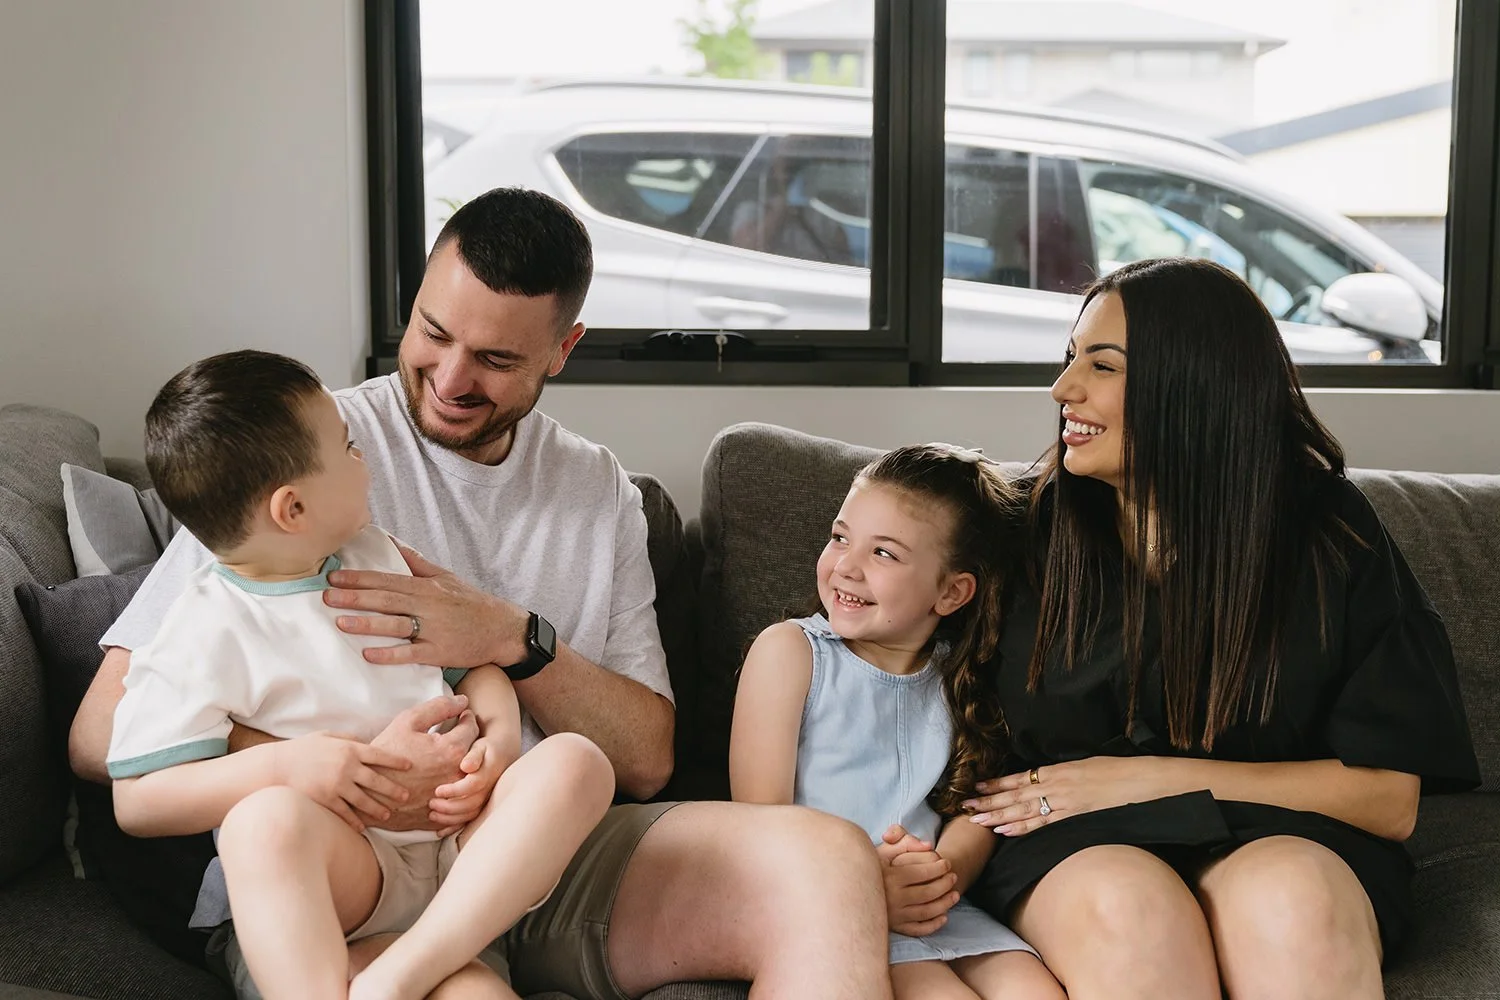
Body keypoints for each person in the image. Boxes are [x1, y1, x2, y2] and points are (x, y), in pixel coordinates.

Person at [69, 186, 893, 1000]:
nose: (451, 378)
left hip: (531, 852)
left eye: (497, 360)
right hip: (344, 870)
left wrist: (511, 639)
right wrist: (359, 769)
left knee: (827, 860)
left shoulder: (597, 490)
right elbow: (101, 733)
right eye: (433, 333)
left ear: (562, 349)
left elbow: (646, 760)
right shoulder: (301, 454)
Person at [954, 257, 1479, 999]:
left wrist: (1144, 778)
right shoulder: (1021, 529)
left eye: (1101, 366)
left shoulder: (1330, 534)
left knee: (1294, 903)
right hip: (1075, 844)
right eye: (1070, 358)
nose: (1063, 389)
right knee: (1132, 912)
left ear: (1194, 384)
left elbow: (1389, 800)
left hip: (1280, 833)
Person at [106, 349, 615, 1000]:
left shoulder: (377, 558)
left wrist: (497, 739)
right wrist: (293, 767)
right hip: (346, 883)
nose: (364, 460)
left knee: (576, 762)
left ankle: (410, 972)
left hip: (460, 862)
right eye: (348, 449)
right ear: (292, 510)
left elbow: (473, 669)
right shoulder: (200, 630)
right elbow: (138, 800)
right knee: (260, 823)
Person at [730, 444, 1064, 1000]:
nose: (847, 565)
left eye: (884, 553)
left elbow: (980, 806)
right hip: (826, 908)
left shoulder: (960, 677)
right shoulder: (790, 653)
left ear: (952, 592)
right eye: (841, 537)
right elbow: (761, 826)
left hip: (937, 907)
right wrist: (869, 886)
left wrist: (938, 876)